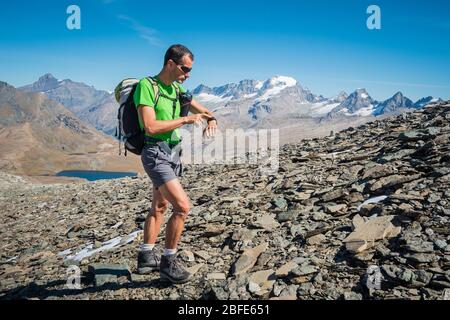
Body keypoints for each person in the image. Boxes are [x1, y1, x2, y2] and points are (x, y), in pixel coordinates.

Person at [134, 44, 217, 284]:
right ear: (170, 63)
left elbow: (206, 112)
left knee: (159, 207)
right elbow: (150, 126)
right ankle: (168, 264)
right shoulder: (147, 86)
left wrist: (211, 120)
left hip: (172, 154)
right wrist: (184, 119)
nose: (188, 74)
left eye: (190, 70)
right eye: (185, 68)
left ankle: (146, 256)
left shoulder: (178, 89)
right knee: (182, 207)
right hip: (155, 152)